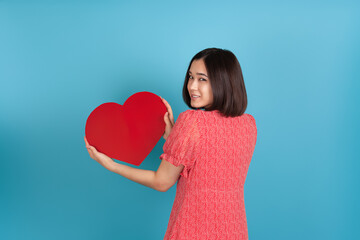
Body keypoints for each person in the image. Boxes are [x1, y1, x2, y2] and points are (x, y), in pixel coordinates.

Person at [84, 47, 257, 240]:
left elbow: (162, 182)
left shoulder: (192, 122)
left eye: (202, 79)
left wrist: (113, 165)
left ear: (223, 82)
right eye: (191, 77)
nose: (192, 86)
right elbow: (211, 161)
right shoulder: (249, 125)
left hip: (193, 230)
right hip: (235, 230)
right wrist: (176, 137)